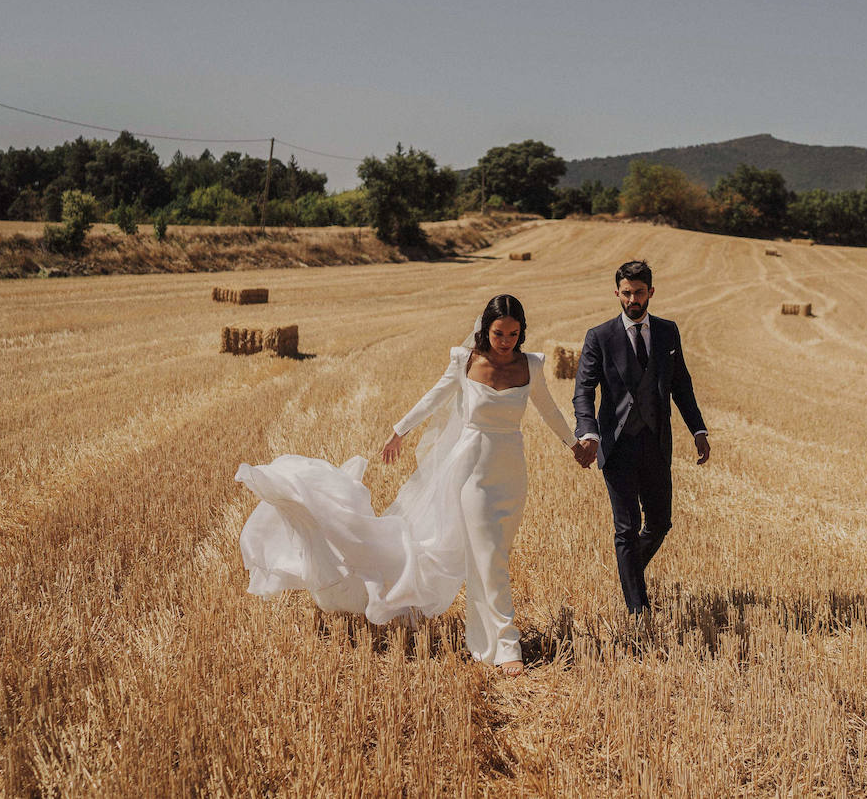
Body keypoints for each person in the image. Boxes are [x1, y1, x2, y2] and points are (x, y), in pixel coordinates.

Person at [236, 294, 586, 677]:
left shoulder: (531, 365)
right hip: (472, 470)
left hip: (511, 472)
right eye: (499, 333)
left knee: (491, 556)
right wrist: (399, 431)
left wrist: (573, 444)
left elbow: (549, 409)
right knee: (490, 557)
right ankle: (507, 644)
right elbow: (435, 396)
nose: (506, 342)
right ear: (485, 331)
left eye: (514, 334)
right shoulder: (465, 360)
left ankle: (483, 640)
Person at [572, 260, 709, 617]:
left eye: (640, 292)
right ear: (617, 293)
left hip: (656, 443)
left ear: (651, 291)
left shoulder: (668, 332)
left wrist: (698, 429)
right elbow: (583, 391)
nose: (633, 298)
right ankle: (638, 608)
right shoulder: (599, 337)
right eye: (627, 292)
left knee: (661, 523)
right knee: (627, 528)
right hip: (616, 446)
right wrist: (588, 432)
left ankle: (629, 572)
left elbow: (682, 384)